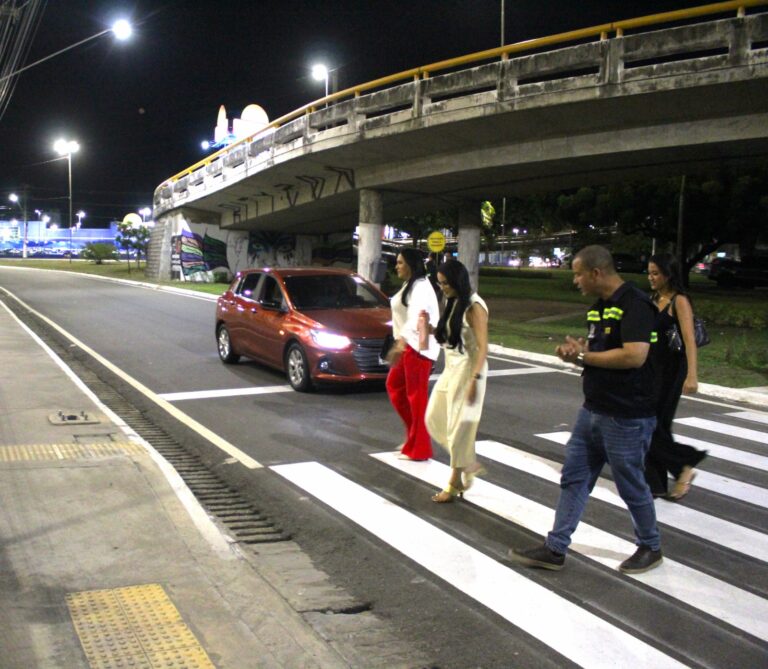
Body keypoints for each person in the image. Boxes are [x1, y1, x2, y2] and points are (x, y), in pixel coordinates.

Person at [509, 245, 663, 574]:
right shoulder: (599, 308)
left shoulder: (634, 305)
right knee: (574, 478)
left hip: (627, 415)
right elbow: (601, 347)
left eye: (578, 273)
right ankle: (555, 547)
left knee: (630, 484)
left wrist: (585, 357)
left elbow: (635, 355)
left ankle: (650, 545)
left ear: (596, 273)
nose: (575, 279)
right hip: (592, 410)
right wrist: (578, 350)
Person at [425, 259, 489, 502]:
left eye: (445, 283)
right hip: (451, 368)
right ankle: (467, 463)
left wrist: (474, 379)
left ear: (457, 281)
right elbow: (452, 334)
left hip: (469, 370)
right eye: (440, 284)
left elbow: (484, 347)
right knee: (433, 418)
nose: (442, 288)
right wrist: (431, 329)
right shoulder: (451, 300)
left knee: (458, 427)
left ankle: (454, 483)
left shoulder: (474, 307)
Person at [645, 252, 707, 500]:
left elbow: (690, 340)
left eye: (655, 273)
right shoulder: (654, 298)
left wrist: (692, 376)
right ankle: (657, 483)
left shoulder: (679, 301)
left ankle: (684, 463)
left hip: (672, 371)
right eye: (649, 273)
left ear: (668, 275)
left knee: (654, 425)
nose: (651, 278)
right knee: (652, 425)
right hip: (652, 370)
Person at [386, 248, 440, 460]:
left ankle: (419, 449)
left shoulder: (421, 287)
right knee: (395, 386)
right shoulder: (410, 285)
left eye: (400, 262)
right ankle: (413, 437)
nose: (396, 266)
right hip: (409, 345)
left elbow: (417, 318)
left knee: (416, 398)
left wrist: (399, 345)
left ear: (410, 264)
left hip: (418, 347)